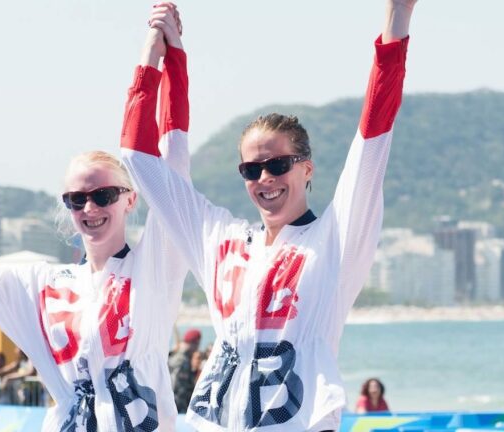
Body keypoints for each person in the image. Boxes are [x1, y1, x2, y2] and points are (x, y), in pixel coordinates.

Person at [120, 1, 418, 430]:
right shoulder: (218, 238)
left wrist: (397, 19)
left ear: (306, 168)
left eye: (278, 165)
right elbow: (137, 154)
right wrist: (161, 51)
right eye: (251, 169)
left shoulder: (336, 238)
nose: (265, 178)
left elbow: (374, 134)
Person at [0, 4, 190, 429]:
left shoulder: (156, 262)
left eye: (104, 195)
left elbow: (170, 162)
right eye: (77, 199)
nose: (90, 208)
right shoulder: (39, 286)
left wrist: (160, 56)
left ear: (130, 199)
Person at [168, 328, 201, 413]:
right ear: (193, 343)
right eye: (197, 344)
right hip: (177, 407)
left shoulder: (179, 356)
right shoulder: (181, 360)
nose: (197, 347)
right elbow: (176, 386)